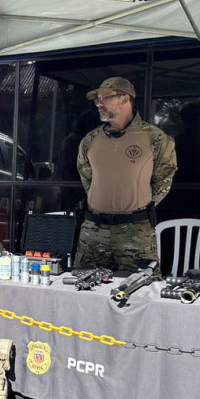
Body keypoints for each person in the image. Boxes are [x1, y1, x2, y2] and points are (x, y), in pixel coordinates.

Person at [75, 77, 177, 272]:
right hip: (94, 232)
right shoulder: (90, 139)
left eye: (105, 98)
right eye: (98, 100)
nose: (99, 104)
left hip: (135, 232)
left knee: (140, 293)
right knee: (85, 291)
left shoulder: (155, 138)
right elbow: (88, 178)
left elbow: (163, 180)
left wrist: (137, 206)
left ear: (125, 99)